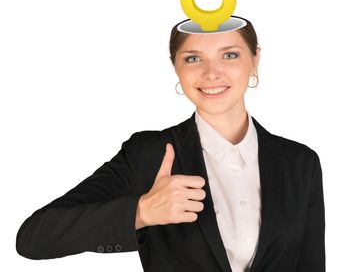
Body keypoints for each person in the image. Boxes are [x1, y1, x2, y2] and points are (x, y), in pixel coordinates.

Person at [16, 15, 326, 272]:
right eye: (193, 58)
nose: (211, 73)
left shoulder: (300, 163)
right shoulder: (148, 154)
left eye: (229, 55)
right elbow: (33, 238)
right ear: (176, 67)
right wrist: (141, 212)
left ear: (255, 60)